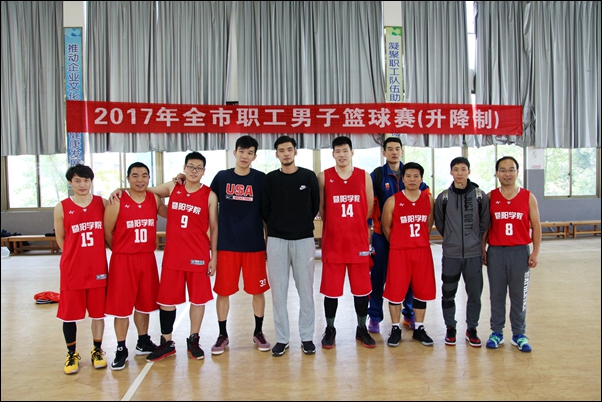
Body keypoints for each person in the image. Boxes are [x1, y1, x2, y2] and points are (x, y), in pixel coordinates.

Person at [112, 151, 218, 362]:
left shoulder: (210, 195)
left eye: (198, 168)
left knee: (197, 300)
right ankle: (167, 342)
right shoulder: (172, 187)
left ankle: (193, 340)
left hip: (198, 255)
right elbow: (142, 189)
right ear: (184, 168)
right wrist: (121, 190)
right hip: (173, 256)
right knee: (167, 302)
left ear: (204, 171)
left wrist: (214, 256)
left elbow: (214, 228)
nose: (194, 171)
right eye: (190, 167)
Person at [208, 135, 271, 355]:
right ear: (234, 153)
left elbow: (266, 215)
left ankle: (258, 331)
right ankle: (222, 334)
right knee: (223, 292)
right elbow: (206, 200)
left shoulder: (261, 179)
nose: (245, 156)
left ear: (255, 156)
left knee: (258, 291)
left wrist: (267, 243)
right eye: (241, 151)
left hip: (254, 246)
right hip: (227, 246)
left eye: (250, 152)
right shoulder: (222, 178)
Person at [103, 162, 167, 370]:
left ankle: (143, 340)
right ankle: (121, 347)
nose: (140, 179)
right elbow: (107, 232)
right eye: (135, 175)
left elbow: (172, 212)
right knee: (121, 307)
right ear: (128, 178)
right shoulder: (117, 201)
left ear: (149, 178)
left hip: (147, 257)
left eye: (144, 175)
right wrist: (120, 250)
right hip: (123, 259)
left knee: (144, 304)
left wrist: (180, 184)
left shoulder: (154, 199)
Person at [261, 135, 320, 357]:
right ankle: (282, 339)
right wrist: (276, 226)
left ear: (295, 151)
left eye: (289, 149)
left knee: (306, 291)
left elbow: (314, 205)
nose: (285, 153)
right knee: (278, 293)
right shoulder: (270, 179)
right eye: (281, 150)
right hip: (277, 240)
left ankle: (307, 337)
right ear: (276, 154)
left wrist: (301, 224)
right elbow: (265, 209)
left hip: (304, 240)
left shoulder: (308, 176)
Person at [368, 136, 431, 334]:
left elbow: (426, 206)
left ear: (402, 152)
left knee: (411, 277)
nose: (394, 152)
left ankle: (409, 313)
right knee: (378, 276)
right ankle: (375, 316)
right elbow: (370, 204)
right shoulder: (377, 175)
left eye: (397, 148)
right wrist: (371, 230)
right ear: (384, 152)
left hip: (408, 239)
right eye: (390, 149)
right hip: (382, 235)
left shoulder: (412, 173)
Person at [318, 136, 375, 349]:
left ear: (352, 152)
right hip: (333, 243)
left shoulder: (364, 176)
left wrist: (353, 225)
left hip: (358, 243)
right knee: (331, 291)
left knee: (361, 291)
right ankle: (330, 328)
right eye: (338, 151)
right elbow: (322, 209)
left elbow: (368, 207)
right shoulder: (323, 177)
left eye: (345, 150)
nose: (342, 154)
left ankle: (361, 328)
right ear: (333, 154)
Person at [53, 164, 108, 374]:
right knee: (69, 315)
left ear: (91, 181)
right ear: (70, 183)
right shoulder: (61, 207)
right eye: (77, 180)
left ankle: (97, 350)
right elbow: (61, 238)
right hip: (73, 269)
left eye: (86, 180)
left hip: (97, 268)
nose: (82, 184)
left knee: (98, 314)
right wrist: (74, 256)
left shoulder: (102, 203)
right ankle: (71, 353)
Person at [483, 156, 541, 353]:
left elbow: (536, 225)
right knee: (496, 295)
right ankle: (496, 332)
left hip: (519, 252)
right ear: (497, 173)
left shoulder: (528, 197)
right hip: (496, 252)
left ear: (517, 172)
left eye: (511, 170)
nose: (507, 174)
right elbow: (485, 226)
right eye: (503, 170)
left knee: (519, 296)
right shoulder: (490, 197)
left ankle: (519, 334)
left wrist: (535, 252)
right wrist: (483, 248)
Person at [434, 157, 490, 348]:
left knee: (474, 294)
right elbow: (440, 223)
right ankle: (450, 327)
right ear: (451, 172)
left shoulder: (480, 196)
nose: (459, 173)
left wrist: (475, 241)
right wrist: (452, 238)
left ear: (469, 171)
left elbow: (484, 223)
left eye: (463, 169)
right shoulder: (443, 198)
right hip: (451, 255)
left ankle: (472, 328)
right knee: (448, 293)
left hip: (473, 255)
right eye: (456, 169)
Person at [381, 162, 436, 347]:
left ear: (421, 179)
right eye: (408, 176)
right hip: (400, 252)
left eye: (416, 176)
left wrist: (416, 242)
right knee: (395, 291)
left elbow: (427, 225)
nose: (412, 179)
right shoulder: (393, 201)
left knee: (422, 290)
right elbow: (386, 227)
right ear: (402, 179)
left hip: (422, 251)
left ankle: (419, 328)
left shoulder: (429, 200)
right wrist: (399, 243)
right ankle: (395, 327)